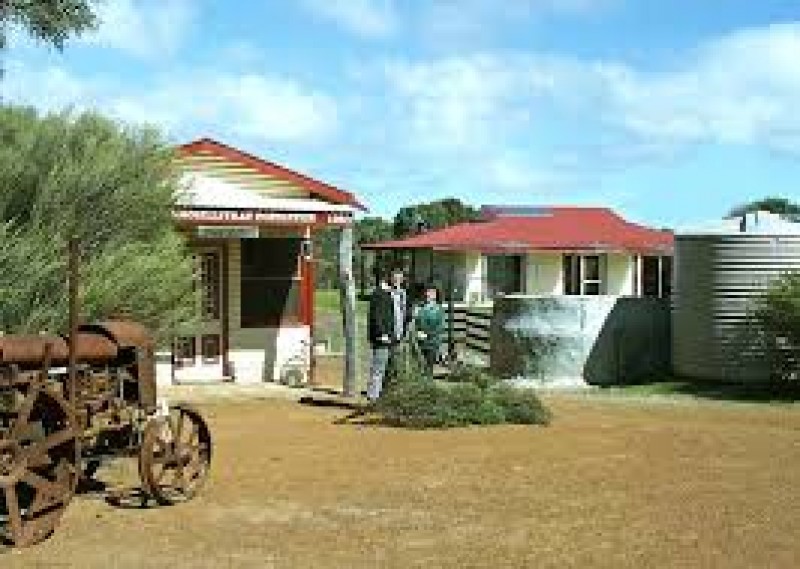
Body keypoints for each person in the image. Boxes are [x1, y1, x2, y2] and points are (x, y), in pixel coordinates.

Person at [366, 272, 396, 401]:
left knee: (384, 369)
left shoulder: (388, 294)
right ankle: (373, 397)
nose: (397, 280)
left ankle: (379, 396)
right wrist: (382, 333)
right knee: (378, 369)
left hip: (390, 338)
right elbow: (376, 316)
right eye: (394, 278)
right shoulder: (379, 294)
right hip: (382, 339)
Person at [413, 283, 446, 379]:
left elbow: (440, 327)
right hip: (419, 342)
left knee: (429, 367)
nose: (430, 294)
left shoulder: (439, 309)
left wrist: (427, 335)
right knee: (419, 367)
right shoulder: (421, 307)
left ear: (436, 295)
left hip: (432, 342)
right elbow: (416, 323)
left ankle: (428, 385)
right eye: (428, 291)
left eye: (433, 292)